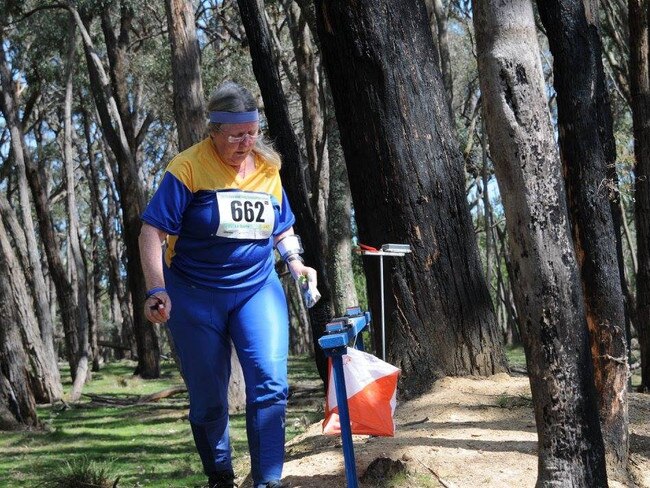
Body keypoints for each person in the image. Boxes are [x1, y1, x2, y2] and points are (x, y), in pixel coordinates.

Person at [139, 81, 317, 488]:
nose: (246, 142)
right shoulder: (187, 167)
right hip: (194, 294)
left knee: (271, 385)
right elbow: (152, 232)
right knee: (208, 399)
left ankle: (268, 480)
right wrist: (156, 288)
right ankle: (220, 474)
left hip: (257, 288)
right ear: (214, 131)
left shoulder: (268, 166)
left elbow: (282, 227)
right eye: (237, 135)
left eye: (252, 132)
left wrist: (296, 262)